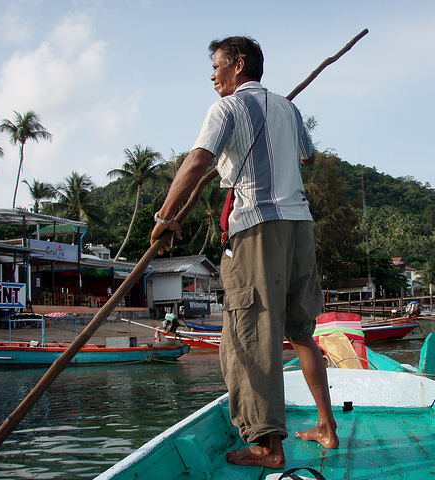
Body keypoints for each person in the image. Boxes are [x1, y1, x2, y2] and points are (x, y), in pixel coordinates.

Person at [150, 36, 338, 470]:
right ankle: (326, 427)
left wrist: (164, 218)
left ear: (237, 65)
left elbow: (198, 160)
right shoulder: (287, 109)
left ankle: (269, 448)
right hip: (299, 226)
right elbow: (308, 158)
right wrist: (275, 126)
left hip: (256, 228)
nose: (212, 75)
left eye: (216, 66)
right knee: (300, 330)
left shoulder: (228, 108)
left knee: (252, 336)